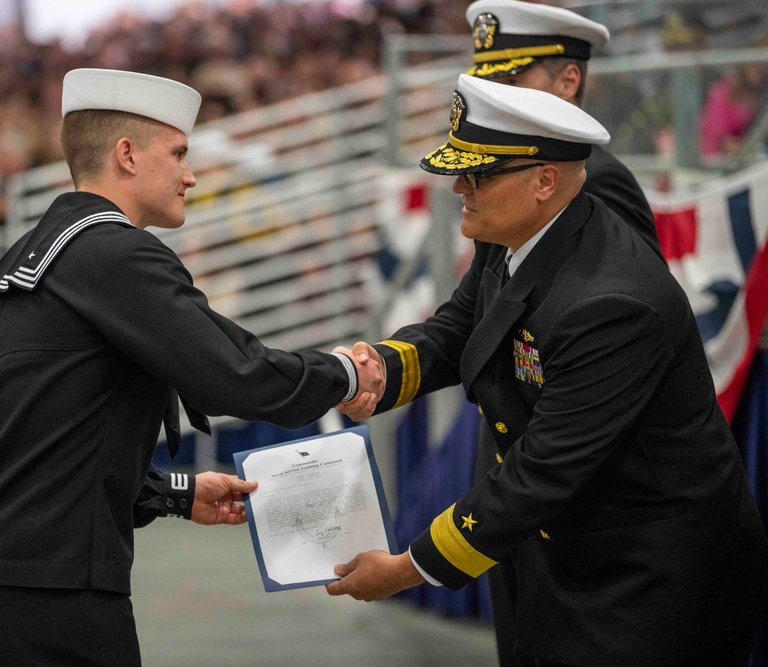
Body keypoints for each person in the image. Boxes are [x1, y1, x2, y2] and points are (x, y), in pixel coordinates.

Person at [0, 68, 383, 666]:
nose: (190, 175)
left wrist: (175, 493)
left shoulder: (29, 255)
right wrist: (344, 375)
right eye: (178, 153)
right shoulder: (116, 254)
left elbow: (32, 442)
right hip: (51, 593)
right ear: (126, 154)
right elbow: (237, 375)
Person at [327, 73, 768, 666]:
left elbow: (542, 472)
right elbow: (462, 326)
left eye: (478, 173)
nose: (459, 186)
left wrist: (408, 569)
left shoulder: (611, 302)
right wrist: (377, 371)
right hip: (562, 547)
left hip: (646, 576)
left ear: (544, 180)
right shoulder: (520, 232)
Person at [462, 4, 665, 663]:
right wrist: (379, 368)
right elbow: (473, 310)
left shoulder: (595, 186)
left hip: (591, 519)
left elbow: (605, 358)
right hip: (524, 495)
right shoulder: (505, 184)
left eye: (508, 81)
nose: (489, 95)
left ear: (568, 81)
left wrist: (415, 563)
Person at [465, 0, 662, 262]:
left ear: (567, 82)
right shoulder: (503, 172)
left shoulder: (597, 179)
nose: (497, 98)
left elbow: (638, 292)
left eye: (512, 81)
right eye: (489, 85)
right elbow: (472, 299)